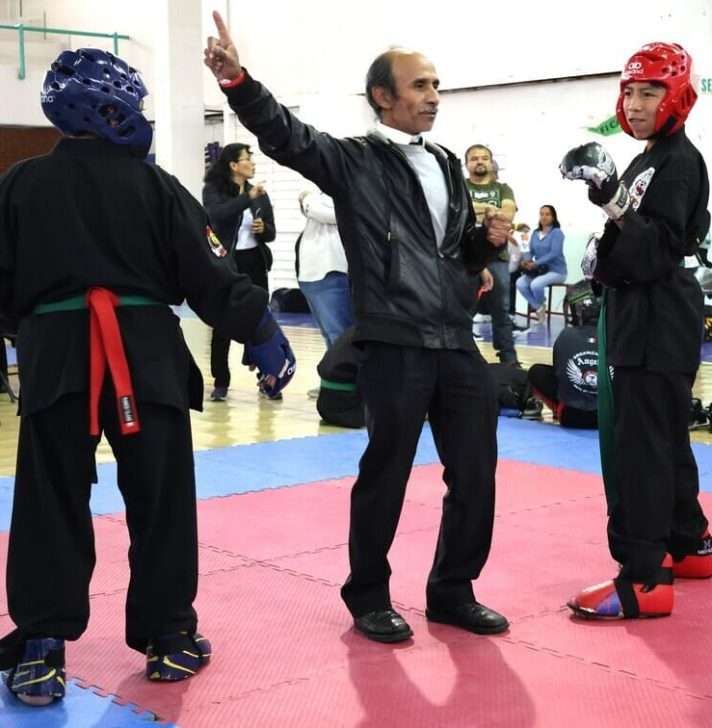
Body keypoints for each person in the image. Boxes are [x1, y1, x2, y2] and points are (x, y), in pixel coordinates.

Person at [0, 47, 295, 705]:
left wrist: (38, 326)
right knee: (161, 499)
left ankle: (42, 646)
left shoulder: (18, 185)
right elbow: (209, 273)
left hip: (56, 360)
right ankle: (168, 636)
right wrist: (259, 330)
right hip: (148, 355)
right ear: (106, 110)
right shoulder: (156, 186)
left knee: (49, 501)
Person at [204, 11, 511, 642]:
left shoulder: (447, 162)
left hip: (455, 338)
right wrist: (238, 82)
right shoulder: (353, 161)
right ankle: (368, 594)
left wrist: (484, 243)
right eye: (420, 85)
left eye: (436, 85)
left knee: (477, 473)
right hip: (395, 337)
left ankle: (453, 590)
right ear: (383, 96)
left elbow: (456, 254)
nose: (433, 95)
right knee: (386, 473)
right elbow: (286, 135)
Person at [560, 41, 711, 620]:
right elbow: (634, 241)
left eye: (650, 92)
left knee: (640, 449)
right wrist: (601, 255)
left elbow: (654, 252)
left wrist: (611, 201)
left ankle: (644, 579)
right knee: (664, 437)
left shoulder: (680, 162)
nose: (637, 103)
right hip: (646, 317)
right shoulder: (649, 159)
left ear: (677, 98)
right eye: (630, 92)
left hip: (656, 320)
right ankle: (689, 542)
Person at [203, 143, 276, 401]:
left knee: (260, 322)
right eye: (247, 159)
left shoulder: (259, 194)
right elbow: (217, 215)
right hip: (227, 263)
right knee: (222, 323)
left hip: (254, 261)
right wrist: (247, 198)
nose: (252, 163)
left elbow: (271, 232)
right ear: (234, 165)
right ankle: (221, 381)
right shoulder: (214, 191)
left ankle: (267, 376)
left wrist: (263, 229)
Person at [465, 144, 519, 364]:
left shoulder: (503, 189)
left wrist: (477, 209)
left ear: (490, 162)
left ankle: (509, 359)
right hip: (465, 257)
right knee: (463, 310)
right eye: (474, 158)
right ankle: (464, 358)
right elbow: (458, 211)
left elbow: (507, 214)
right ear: (466, 164)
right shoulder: (459, 186)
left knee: (501, 311)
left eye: (484, 158)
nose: (479, 161)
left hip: (498, 258)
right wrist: (489, 209)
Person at [297, 189, 353, 398]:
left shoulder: (347, 190)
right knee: (329, 335)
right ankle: (332, 382)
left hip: (332, 271)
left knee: (339, 335)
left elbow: (333, 213)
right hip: (311, 275)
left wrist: (307, 200)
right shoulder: (321, 193)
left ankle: (345, 386)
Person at [527, 296, 599, 428]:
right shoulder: (615, 338)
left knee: (536, 372)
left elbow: (559, 370)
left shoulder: (566, 334)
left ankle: (557, 410)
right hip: (605, 419)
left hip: (569, 416)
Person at [516, 205, 567, 324]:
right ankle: (539, 307)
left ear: (553, 217)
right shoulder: (535, 233)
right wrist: (527, 261)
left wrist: (536, 263)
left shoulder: (557, 233)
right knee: (520, 283)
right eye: (541, 214)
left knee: (535, 284)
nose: (544, 217)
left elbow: (555, 253)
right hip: (540, 271)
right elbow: (530, 251)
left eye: (547, 214)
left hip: (557, 271)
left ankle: (539, 307)